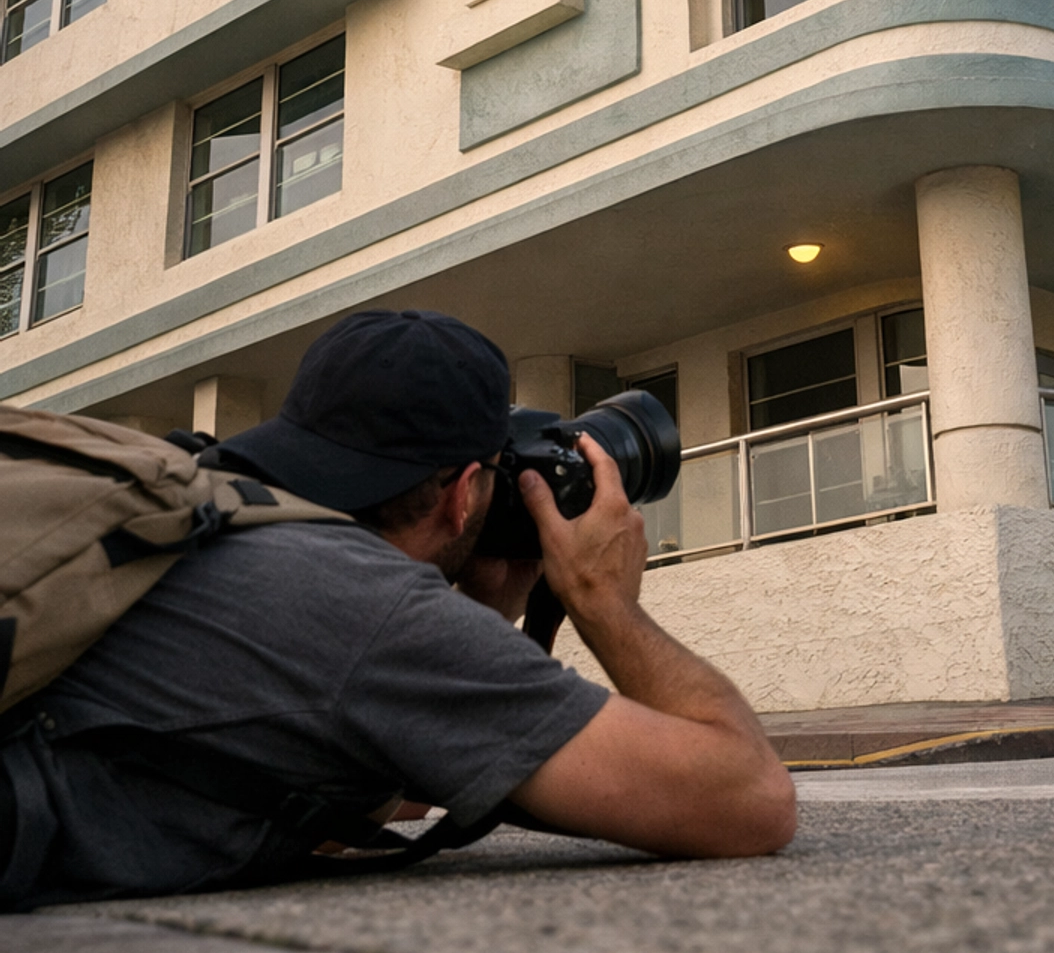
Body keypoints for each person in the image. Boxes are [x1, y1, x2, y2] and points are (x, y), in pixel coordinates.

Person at [1, 310, 795, 908]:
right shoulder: (363, 610)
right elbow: (747, 799)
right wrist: (601, 598)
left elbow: (390, 776)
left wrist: (489, 616)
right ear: (461, 495)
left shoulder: (207, 513)